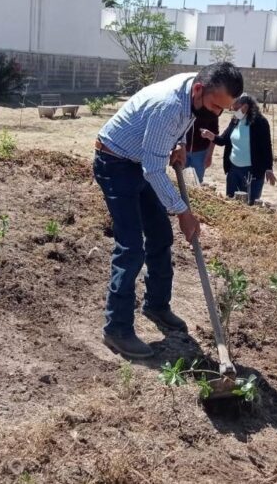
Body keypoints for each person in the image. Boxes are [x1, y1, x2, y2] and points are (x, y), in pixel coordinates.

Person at [94, 62, 245, 359]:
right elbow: (154, 169)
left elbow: (169, 133)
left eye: (223, 109)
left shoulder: (193, 87)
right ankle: (117, 329)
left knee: (161, 236)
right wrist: (183, 211)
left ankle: (157, 305)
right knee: (131, 247)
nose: (217, 114)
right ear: (200, 89)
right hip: (115, 162)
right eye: (215, 106)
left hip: (139, 159)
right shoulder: (169, 106)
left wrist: (177, 143)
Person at [201, 93, 276, 201]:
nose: (232, 109)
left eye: (235, 106)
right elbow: (224, 140)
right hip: (233, 171)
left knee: (249, 204)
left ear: (245, 106)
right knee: (231, 202)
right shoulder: (235, 120)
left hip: (252, 172)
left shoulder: (260, 122)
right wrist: (211, 136)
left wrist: (269, 169)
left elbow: (266, 147)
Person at [184, 106, 218, 183]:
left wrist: (209, 155)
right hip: (183, 151)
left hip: (200, 154)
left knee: (197, 181)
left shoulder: (211, 111)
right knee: (182, 180)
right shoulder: (186, 109)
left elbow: (214, 135)